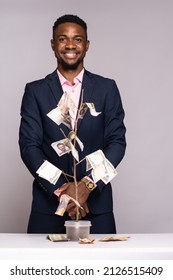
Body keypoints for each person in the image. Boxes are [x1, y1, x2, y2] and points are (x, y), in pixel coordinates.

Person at [19, 14, 126, 234]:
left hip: (97, 208)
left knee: (104, 267)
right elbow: (29, 148)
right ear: (52, 44)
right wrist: (63, 191)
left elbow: (117, 144)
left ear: (86, 45)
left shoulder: (107, 89)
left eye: (77, 39)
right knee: (40, 268)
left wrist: (87, 186)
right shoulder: (35, 91)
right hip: (49, 209)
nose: (70, 45)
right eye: (62, 39)